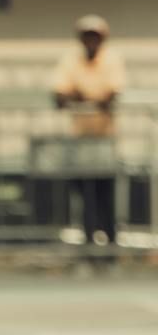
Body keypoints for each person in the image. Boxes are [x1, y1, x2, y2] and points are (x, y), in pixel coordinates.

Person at [51, 14, 125, 246]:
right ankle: (88, 242)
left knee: (105, 191)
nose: (91, 41)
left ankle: (110, 242)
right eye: (87, 36)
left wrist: (82, 97)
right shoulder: (71, 60)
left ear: (102, 39)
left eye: (95, 36)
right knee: (83, 191)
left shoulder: (111, 59)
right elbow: (60, 94)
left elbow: (111, 94)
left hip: (105, 137)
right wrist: (87, 98)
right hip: (80, 138)